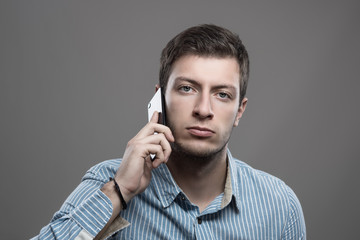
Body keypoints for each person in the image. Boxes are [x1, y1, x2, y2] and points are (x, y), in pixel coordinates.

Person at [32, 24, 306, 240]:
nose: (203, 109)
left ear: (239, 111)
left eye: (222, 94)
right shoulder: (107, 181)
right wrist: (119, 192)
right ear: (160, 99)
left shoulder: (279, 206)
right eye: (187, 88)